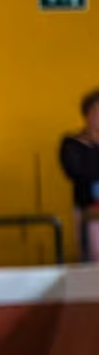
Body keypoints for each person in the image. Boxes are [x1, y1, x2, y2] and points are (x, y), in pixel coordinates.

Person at [59, 88, 99, 263]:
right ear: (86, 114)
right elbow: (76, 172)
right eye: (96, 112)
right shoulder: (72, 144)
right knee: (92, 261)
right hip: (88, 210)